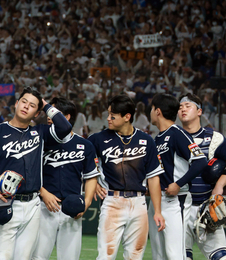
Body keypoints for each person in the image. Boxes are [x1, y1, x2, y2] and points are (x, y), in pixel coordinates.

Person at [0, 87, 72, 260]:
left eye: (32, 105)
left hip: (32, 205)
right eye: (24, 102)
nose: (26, 106)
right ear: (16, 103)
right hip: (4, 202)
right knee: (1, 257)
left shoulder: (40, 133)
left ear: (36, 113)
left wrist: (46, 105)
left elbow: (65, 127)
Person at [89, 94, 165, 260]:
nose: (108, 118)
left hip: (139, 203)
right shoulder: (98, 139)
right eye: (108, 114)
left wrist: (157, 211)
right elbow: (82, 162)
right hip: (112, 201)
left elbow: (153, 178)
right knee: (105, 256)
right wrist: (92, 183)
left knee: (135, 256)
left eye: (112, 115)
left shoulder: (146, 140)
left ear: (127, 117)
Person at [33, 97, 100, 260]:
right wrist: (43, 193)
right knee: (37, 257)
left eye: (54, 112)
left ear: (67, 117)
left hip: (71, 210)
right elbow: (30, 172)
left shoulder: (84, 145)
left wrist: (87, 202)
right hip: (44, 207)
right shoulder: (40, 140)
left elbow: (91, 177)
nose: (49, 116)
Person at [149, 93, 208, 259]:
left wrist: (178, 183)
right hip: (158, 200)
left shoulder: (177, 133)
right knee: (159, 253)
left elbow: (200, 161)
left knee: (175, 253)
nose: (150, 112)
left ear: (158, 111)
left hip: (176, 200)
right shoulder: (157, 138)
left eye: (152, 109)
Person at [177, 93, 226, 260]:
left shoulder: (216, 137)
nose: (183, 109)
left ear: (199, 111)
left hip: (207, 207)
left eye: (187, 106)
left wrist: (220, 184)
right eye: (180, 107)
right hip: (179, 208)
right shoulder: (173, 137)